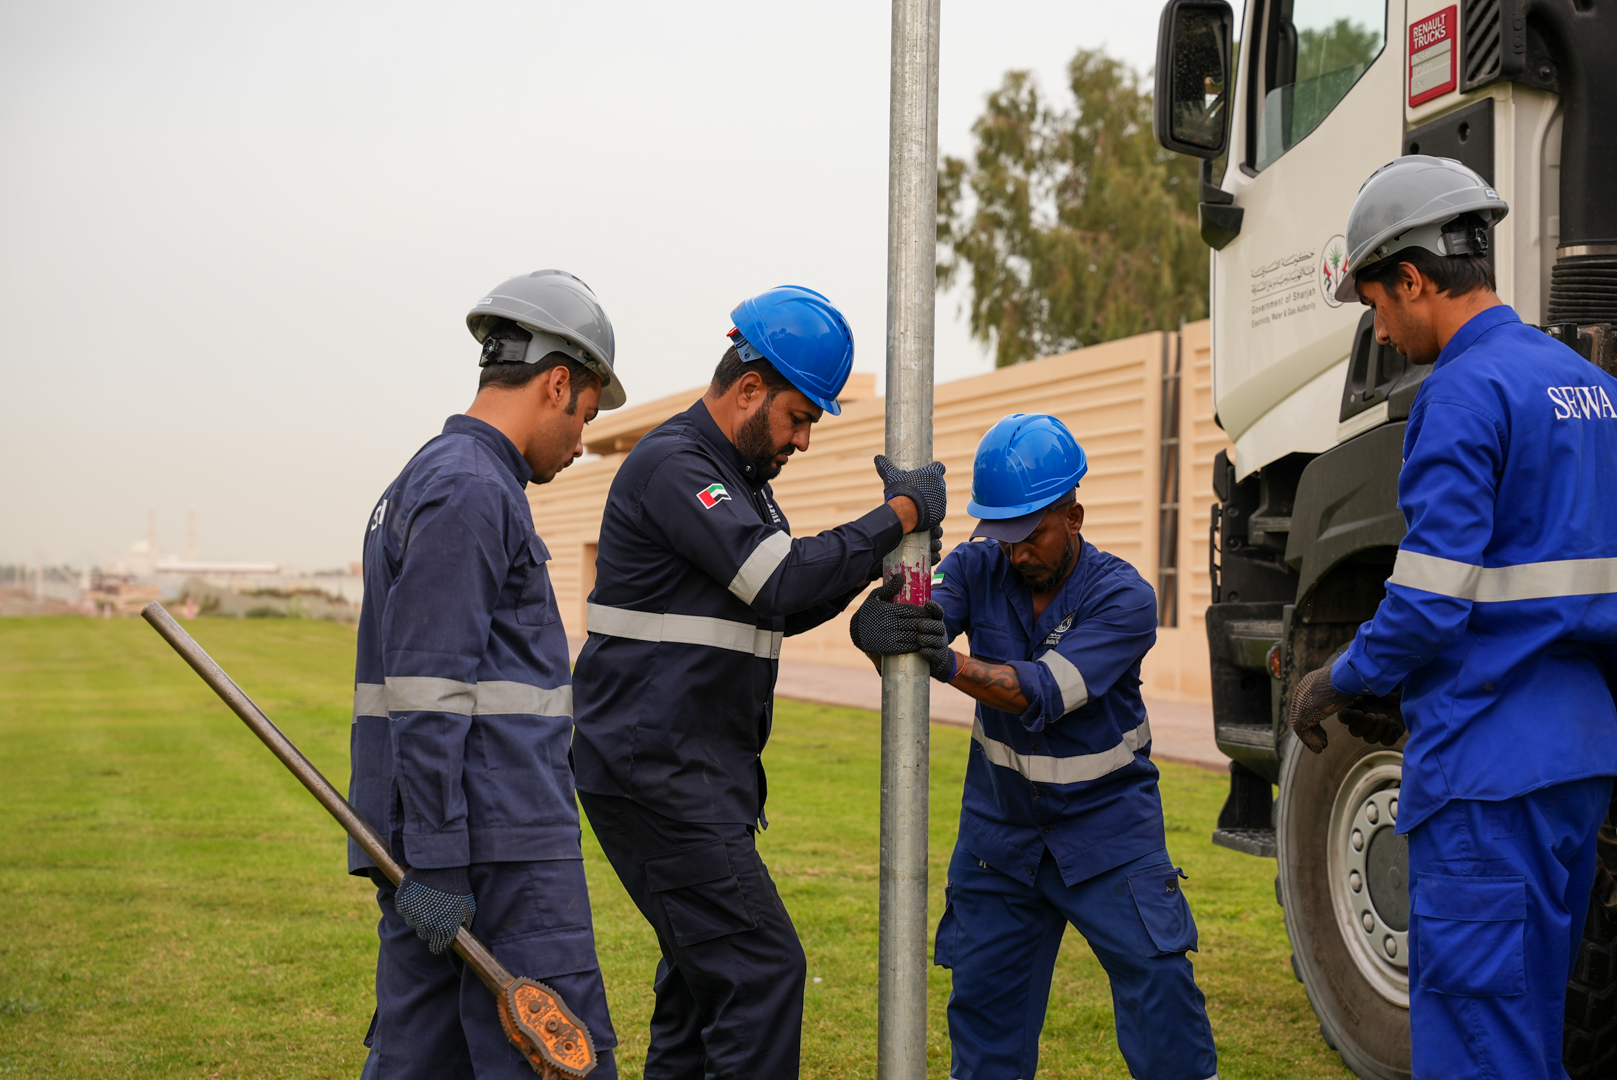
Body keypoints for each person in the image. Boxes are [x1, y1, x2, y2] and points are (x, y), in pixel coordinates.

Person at [1290, 156, 1617, 1079]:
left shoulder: (1462, 394)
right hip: (1577, 762)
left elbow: (1428, 604)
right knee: (1531, 1035)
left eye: (1377, 304)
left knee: (1478, 1048)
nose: (1382, 332)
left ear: (1414, 276)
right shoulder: (1587, 386)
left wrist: (1331, 680)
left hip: (1485, 771)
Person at [569, 284, 947, 1079]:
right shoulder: (675, 464)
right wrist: (899, 519)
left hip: (691, 774)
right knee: (760, 971)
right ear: (748, 390)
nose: (803, 440)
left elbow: (772, 602)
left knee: (700, 988)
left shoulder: (743, 488)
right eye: (798, 417)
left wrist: (860, 611)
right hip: (657, 776)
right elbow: (775, 581)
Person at [852, 413, 1218, 1080]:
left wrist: (949, 665)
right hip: (1002, 840)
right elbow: (915, 616)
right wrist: (900, 554)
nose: (1016, 552)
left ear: (1073, 516)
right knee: (986, 1016)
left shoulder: (1123, 598)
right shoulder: (978, 563)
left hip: (1108, 833)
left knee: (1161, 992)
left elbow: (1041, 693)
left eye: (1031, 534)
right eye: (1003, 535)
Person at [347, 270, 625, 1078]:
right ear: (557, 383)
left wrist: (427, 859)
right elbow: (430, 694)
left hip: (449, 849)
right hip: (495, 852)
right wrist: (434, 864)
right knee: (560, 1059)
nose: (579, 444)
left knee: (420, 1061)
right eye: (586, 416)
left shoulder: (445, 480)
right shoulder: (470, 490)